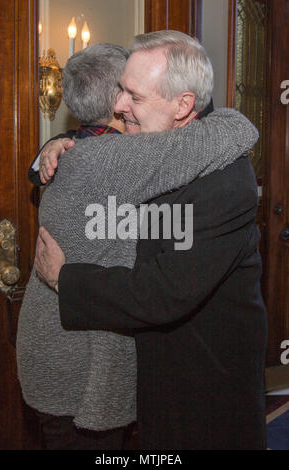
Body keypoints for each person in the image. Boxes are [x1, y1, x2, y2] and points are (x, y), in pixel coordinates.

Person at [34, 31, 266, 450]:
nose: (119, 107)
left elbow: (162, 292)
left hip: (205, 393)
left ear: (183, 106)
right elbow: (99, 161)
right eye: (121, 89)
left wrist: (63, 279)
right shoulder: (149, 150)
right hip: (155, 383)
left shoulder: (225, 180)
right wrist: (63, 144)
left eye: (134, 97)